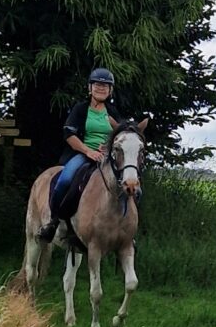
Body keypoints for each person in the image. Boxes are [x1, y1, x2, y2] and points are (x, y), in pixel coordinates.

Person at [39, 68, 140, 238]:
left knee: (131, 184)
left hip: (107, 157)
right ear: (90, 87)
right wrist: (89, 151)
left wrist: (108, 147)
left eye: (105, 86)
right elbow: (69, 135)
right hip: (82, 153)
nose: (101, 88)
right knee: (65, 180)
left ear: (110, 90)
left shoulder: (113, 112)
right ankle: (54, 221)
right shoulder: (80, 109)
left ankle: (127, 230)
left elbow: (121, 137)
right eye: (97, 84)